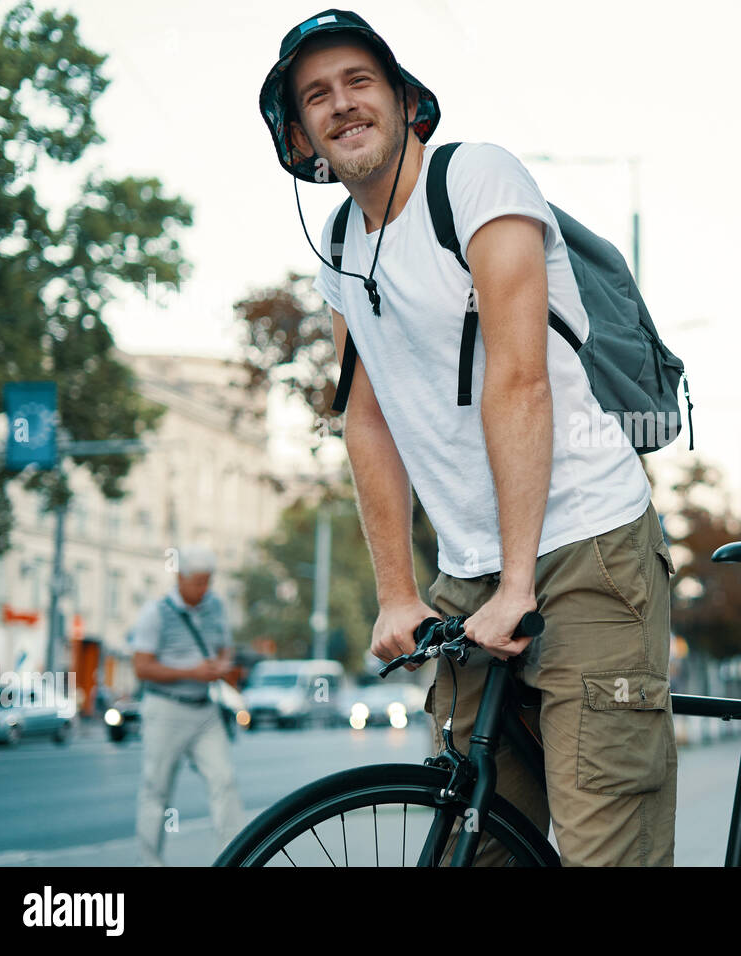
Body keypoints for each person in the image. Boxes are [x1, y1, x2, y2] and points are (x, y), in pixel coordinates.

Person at [259, 10, 677, 866]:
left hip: (585, 544)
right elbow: (366, 421)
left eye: (358, 81)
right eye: (316, 96)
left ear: (406, 99)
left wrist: (518, 582)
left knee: (608, 845)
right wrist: (396, 593)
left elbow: (518, 380)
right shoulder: (339, 248)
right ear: (298, 135)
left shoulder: (477, 181)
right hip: (468, 571)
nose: (341, 104)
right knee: (478, 844)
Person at [131, 545, 245, 865]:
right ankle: (150, 862)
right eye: (198, 582)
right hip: (166, 709)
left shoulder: (216, 607)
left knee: (224, 780)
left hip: (204, 709)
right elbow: (142, 667)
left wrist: (221, 665)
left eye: (208, 581)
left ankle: (234, 857)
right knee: (157, 789)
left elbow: (226, 649)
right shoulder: (156, 612)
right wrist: (190, 672)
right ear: (180, 578)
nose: (204, 589)